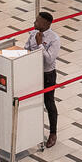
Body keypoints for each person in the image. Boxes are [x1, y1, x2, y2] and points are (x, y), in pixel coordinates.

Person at [24, 12, 60, 149]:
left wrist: (40, 45)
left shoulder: (54, 39)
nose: (35, 23)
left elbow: (50, 59)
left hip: (47, 75)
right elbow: (26, 48)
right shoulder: (33, 34)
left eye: (38, 21)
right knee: (31, 101)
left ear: (46, 24)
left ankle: (53, 133)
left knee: (49, 102)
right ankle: (31, 130)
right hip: (33, 73)